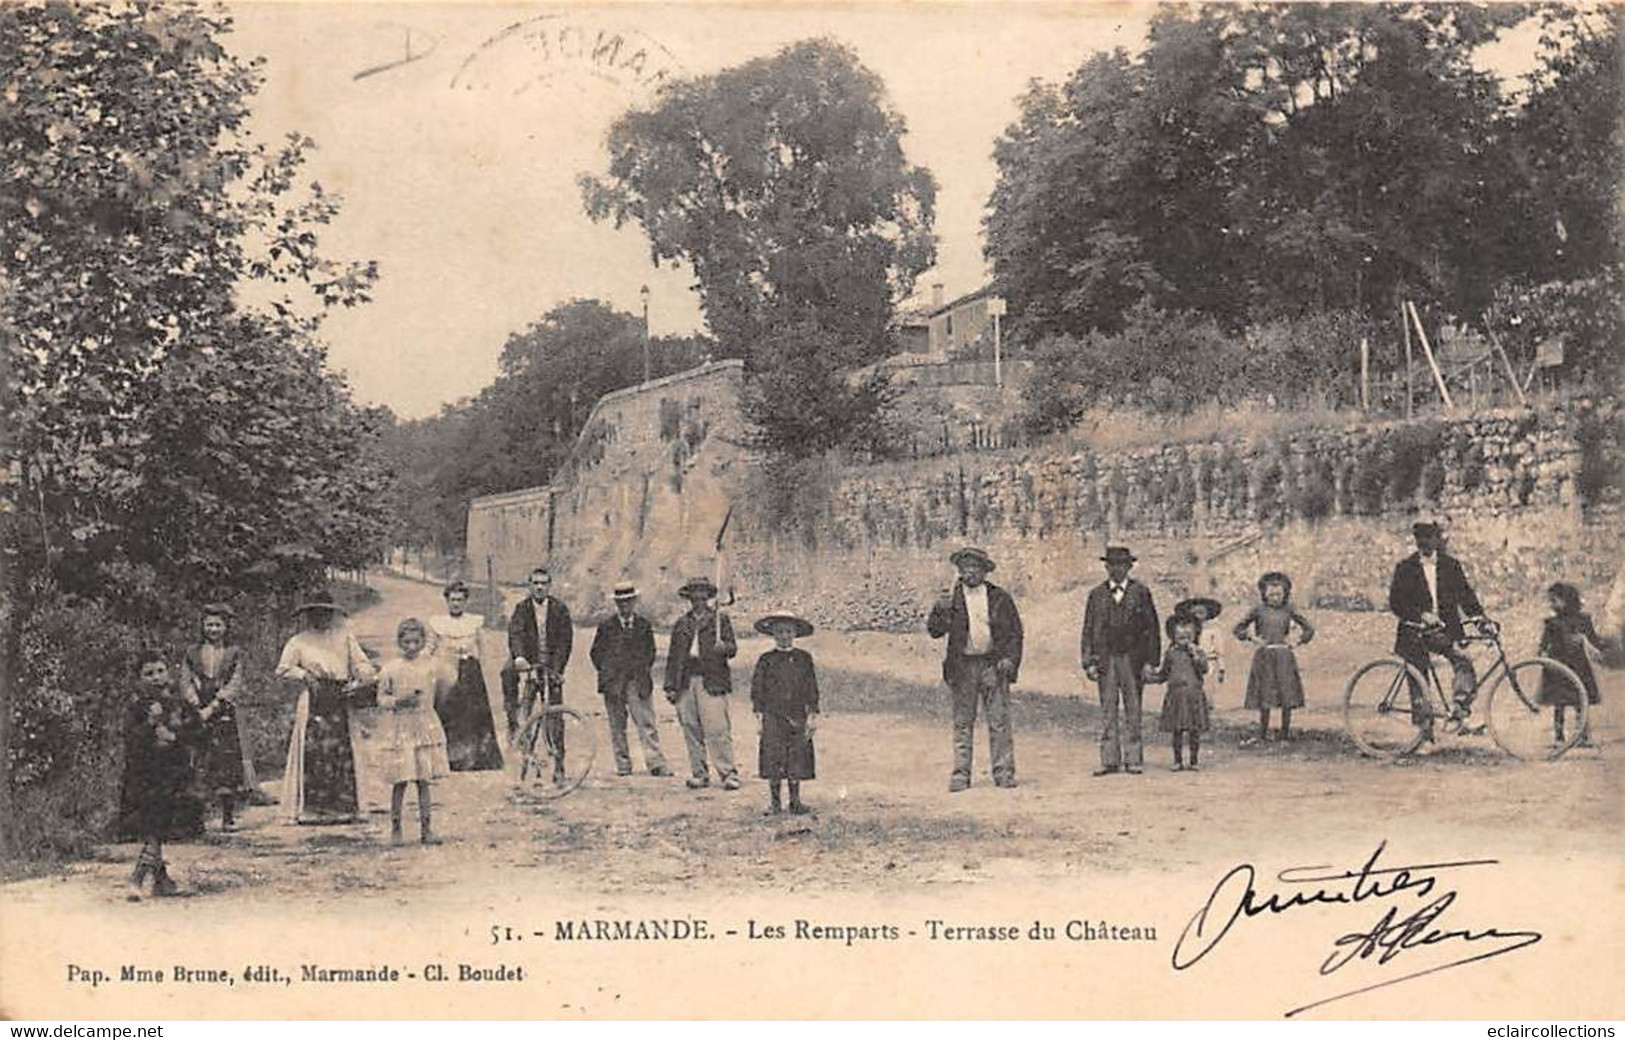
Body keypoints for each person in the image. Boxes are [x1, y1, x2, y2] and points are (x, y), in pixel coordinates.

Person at [275, 590, 377, 825]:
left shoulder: (344, 637)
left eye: (325, 613)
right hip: (314, 698)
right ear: (309, 615)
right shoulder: (299, 641)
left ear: (332, 615)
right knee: (313, 750)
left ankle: (343, 807)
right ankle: (313, 809)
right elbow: (282, 668)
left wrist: (360, 679)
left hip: (340, 697)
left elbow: (362, 664)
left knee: (342, 751)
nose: (321, 618)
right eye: (316, 613)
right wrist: (303, 674)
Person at [928, 547, 1024, 792]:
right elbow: (935, 631)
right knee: (962, 722)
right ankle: (961, 774)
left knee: (999, 721)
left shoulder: (999, 597)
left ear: (984, 571)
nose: (969, 572)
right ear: (959, 570)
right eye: (964, 567)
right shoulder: (951, 599)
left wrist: (1009, 659)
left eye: (974, 567)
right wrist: (940, 610)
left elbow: (1015, 633)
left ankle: (1004, 772)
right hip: (963, 667)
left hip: (992, 665)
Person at [1388, 520, 1484, 748]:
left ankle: (1459, 710)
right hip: (1414, 632)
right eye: (1420, 538)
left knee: (1463, 660)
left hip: (1445, 631)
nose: (1425, 543)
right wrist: (1421, 614)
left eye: (1430, 537)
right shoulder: (1405, 568)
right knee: (1419, 681)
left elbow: (1466, 597)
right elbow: (1395, 603)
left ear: (1438, 539)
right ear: (1416, 540)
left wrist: (1482, 622)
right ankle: (1424, 734)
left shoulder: (1451, 566)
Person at [120, 651, 203, 900]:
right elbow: (130, 739)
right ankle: (139, 876)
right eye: (148, 673)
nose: (156, 678)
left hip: (174, 774)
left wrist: (177, 737)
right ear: (138, 679)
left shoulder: (179, 704)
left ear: (169, 672)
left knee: (162, 824)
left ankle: (160, 879)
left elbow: (197, 732)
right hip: (146, 775)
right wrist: (150, 724)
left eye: (160, 671)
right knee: (155, 824)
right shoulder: (136, 708)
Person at [1080, 546, 1160, 776]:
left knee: (1133, 709)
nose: (1116, 569)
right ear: (1106, 567)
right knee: (1108, 709)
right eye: (1112, 565)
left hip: (1132, 660)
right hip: (1106, 660)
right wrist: (1089, 661)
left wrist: (1150, 662)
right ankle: (1109, 760)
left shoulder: (1141, 592)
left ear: (1129, 567)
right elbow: (1088, 630)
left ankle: (1133, 759)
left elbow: (1151, 628)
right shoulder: (1096, 595)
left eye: (1121, 565)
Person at [373, 618, 452, 845]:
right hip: (401, 729)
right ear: (399, 642)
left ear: (422, 642)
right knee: (400, 780)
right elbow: (381, 699)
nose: (411, 647)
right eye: (406, 642)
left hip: (424, 727)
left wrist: (432, 705)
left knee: (423, 780)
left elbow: (445, 686)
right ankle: (396, 830)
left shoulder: (430, 666)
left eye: (416, 642)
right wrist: (398, 701)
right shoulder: (391, 668)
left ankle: (426, 830)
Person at [663, 576, 740, 791]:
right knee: (690, 727)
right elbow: (673, 657)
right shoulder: (681, 624)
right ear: (689, 598)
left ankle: (728, 773)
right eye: (694, 594)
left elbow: (733, 649)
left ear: (708, 596)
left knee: (717, 728)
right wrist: (670, 685)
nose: (698, 598)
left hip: (712, 679)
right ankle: (699, 773)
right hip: (686, 680)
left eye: (702, 593)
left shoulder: (719, 621)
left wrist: (723, 647)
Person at [588, 582, 669, 777]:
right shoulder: (606, 627)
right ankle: (623, 765)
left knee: (646, 723)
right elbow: (596, 653)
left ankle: (655, 762)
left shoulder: (643, 625)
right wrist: (609, 674)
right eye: (621, 602)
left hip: (638, 682)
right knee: (617, 726)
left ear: (634, 602)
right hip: (614, 684)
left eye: (628, 602)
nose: (625, 606)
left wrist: (639, 671)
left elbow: (651, 652)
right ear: (616, 604)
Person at [502, 567, 574, 784]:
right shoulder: (522, 609)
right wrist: (520, 658)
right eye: (535, 583)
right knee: (525, 715)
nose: (540, 587)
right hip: (530, 665)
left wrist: (557, 669)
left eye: (544, 583)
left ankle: (559, 766)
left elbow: (565, 641)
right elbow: (515, 634)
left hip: (551, 667)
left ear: (549, 585)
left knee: (554, 717)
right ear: (529, 585)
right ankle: (523, 761)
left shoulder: (560, 609)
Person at [179, 603, 247, 831]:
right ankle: (197, 817)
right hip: (197, 711)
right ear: (202, 627)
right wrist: (196, 704)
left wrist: (215, 705)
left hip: (222, 710)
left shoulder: (233, 653)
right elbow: (185, 681)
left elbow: (235, 683)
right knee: (198, 760)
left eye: (218, 625)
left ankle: (228, 816)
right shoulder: (191, 653)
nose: (214, 629)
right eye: (209, 625)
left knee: (225, 762)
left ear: (226, 627)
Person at [426, 581, 503, 771]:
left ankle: (475, 758)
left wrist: (485, 672)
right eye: (452, 600)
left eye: (460, 600)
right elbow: (429, 649)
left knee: (473, 715)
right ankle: (450, 759)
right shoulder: (438, 623)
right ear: (447, 601)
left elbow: (484, 650)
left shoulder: (474, 623)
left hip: (471, 673)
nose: (456, 604)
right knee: (448, 714)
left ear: (466, 602)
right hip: (446, 673)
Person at [750, 613, 820, 815]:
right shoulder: (766, 660)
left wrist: (812, 715)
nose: (784, 636)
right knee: (774, 757)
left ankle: (795, 801)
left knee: (796, 757)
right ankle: (774, 802)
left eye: (788, 631)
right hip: (773, 715)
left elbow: (811, 688)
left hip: (797, 714)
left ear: (795, 634)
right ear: (773, 634)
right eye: (779, 632)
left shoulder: (803, 659)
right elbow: (757, 690)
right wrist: (759, 716)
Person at [1233, 573, 1315, 742]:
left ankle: (1285, 733)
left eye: (1279, 594)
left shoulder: (1289, 609)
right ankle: (1263, 732)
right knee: (1265, 694)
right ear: (1264, 593)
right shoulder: (1258, 610)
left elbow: (1309, 629)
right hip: (1265, 656)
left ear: (1285, 594)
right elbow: (1238, 629)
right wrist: (1252, 638)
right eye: (1271, 594)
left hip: (1284, 656)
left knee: (1287, 694)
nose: (1275, 598)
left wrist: (1296, 641)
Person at [1538, 582, 1616, 748]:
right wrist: (1542, 655)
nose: (1551, 604)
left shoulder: (1584, 620)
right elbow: (1543, 645)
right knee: (1559, 703)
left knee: (1581, 701)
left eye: (1555, 600)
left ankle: (1583, 735)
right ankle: (1559, 738)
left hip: (1579, 667)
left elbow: (1594, 639)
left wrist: (1605, 645)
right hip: (1557, 668)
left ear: (1568, 600)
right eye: (1550, 601)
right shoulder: (1551, 623)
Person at [1151, 613, 1210, 771]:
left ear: (1195, 635)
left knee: (1194, 730)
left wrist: (1195, 655)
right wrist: (1151, 677)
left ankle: (1193, 760)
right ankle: (1177, 761)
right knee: (1177, 730)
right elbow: (1164, 673)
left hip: (1193, 696)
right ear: (1173, 636)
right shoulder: (1170, 654)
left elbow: (1204, 669)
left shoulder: (1198, 652)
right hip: (1176, 696)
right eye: (1180, 636)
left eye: (1188, 636)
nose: (1184, 639)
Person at [1176, 597, 1225, 690]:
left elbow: (1219, 650)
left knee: (1208, 689)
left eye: (1201, 613)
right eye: (1194, 614)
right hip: (1191, 663)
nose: (1197, 616)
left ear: (1207, 614)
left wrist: (1221, 668)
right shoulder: (1188, 631)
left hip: (1210, 663)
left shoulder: (1213, 630)